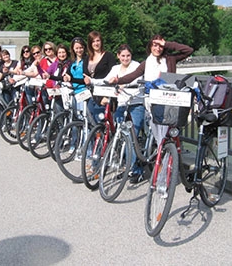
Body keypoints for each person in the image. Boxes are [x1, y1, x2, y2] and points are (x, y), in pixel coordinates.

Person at [110, 34, 194, 154]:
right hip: (151, 101)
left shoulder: (170, 59)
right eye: (155, 45)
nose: (157, 48)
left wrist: (167, 44)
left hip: (168, 101)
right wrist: (118, 80)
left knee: (167, 133)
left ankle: (167, 157)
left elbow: (189, 50)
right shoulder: (146, 63)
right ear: (150, 46)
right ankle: (156, 155)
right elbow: (132, 76)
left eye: (160, 46)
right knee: (152, 130)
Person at [86, 44, 145, 182]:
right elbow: (106, 80)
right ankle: (125, 163)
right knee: (120, 133)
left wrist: (123, 85)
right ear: (118, 56)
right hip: (122, 104)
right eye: (123, 56)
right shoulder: (115, 68)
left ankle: (135, 169)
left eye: (128, 55)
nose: (125, 58)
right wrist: (92, 81)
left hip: (135, 103)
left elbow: (137, 80)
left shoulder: (136, 66)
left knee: (132, 136)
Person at [83, 31, 116, 122]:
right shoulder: (87, 58)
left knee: (100, 121)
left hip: (104, 93)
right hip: (91, 94)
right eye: (93, 41)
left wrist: (107, 96)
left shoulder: (108, 56)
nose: (96, 43)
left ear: (101, 42)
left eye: (98, 41)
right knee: (90, 121)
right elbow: (85, 75)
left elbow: (113, 75)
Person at [43, 44, 72, 112]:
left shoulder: (70, 64)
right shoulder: (56, 64)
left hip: (67, 91)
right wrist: (38, 67)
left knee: (67, 111)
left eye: (63, 52)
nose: (61, 55)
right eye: (59, 53)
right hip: (57, 91)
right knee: (57, 112)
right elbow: (46, 73)